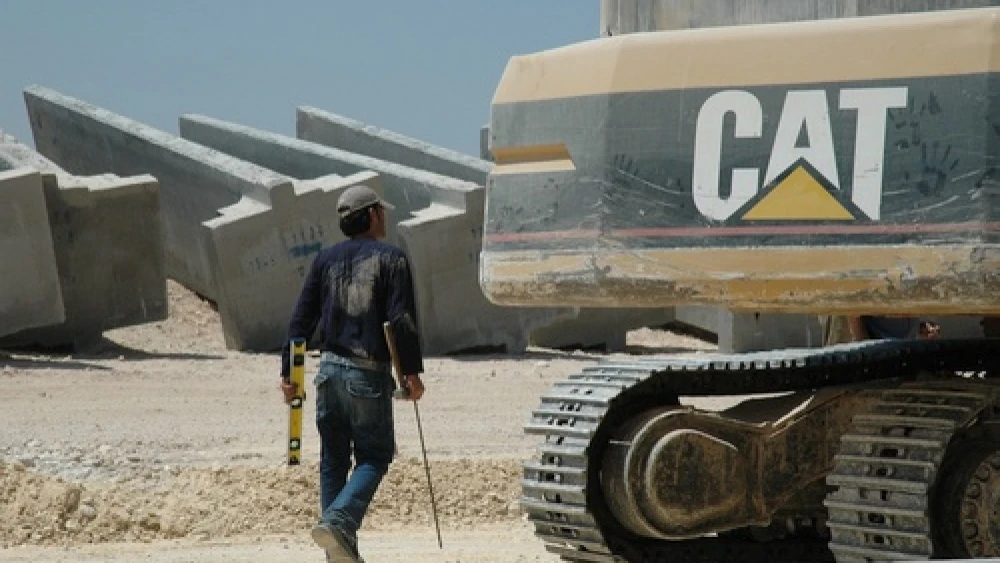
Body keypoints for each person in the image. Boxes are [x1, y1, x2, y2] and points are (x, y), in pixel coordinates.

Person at [279, 184, 425, 563]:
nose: (384, 216)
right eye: (382, 210)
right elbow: (401, 320)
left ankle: (338, 554)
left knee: (333, 460)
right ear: (373, 214)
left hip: (327, 374)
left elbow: (299, 322)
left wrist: (289, 374)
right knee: (375, 456)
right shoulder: (392, 259)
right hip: (367, 376)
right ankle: (340, 522)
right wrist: (411, 373)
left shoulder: (324, 260)